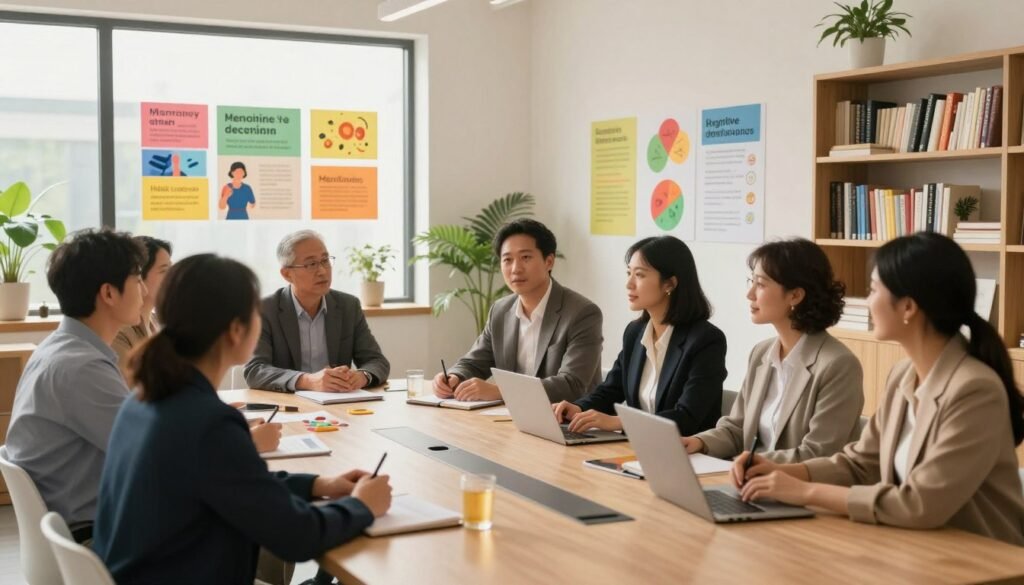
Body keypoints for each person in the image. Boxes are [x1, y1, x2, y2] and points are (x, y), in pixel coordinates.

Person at [93, 254, 393, 583]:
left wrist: (320, 484)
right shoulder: (208, 422)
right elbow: (296, 536)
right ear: (236, 330)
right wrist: (363, 506)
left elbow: (237, 480)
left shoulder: (144, 399)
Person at [736, 233, 1024, 546]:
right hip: (913, 548)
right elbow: (860, 463)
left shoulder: (975, 390)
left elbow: (920, 504)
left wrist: (806, 492)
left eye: (873, 290)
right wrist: (786, 470)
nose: (867, 300)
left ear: (908, 307)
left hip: (981, 560)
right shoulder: (903, 376)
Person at [4, 229, 145, 540]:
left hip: (81, 527)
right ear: (109, 293)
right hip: (96, 536)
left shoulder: (61, 348)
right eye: (137, 280)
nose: (144, 290)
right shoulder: (81, 367)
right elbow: (149, 451)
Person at [681, 238, 864, 462]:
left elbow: (819, 454)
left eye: (761, 284)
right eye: (752, 281)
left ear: (795, 295)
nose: (750, 294)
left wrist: (753, 463)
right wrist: (699, 442)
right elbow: (737, 430)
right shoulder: (762, 352)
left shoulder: (838, 365)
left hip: (796, 489)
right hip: (750, 480)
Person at [110, 235, 281, 454]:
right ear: (236, 329)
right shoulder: (200, 414)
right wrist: (240, 440)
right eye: (255, 312)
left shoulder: (145, 402)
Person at [552, 236, 726, 435]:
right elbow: (611, 390)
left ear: (669, 283)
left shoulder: (706, 340)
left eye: (640, 275)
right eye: (629, 273)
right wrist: (579, 408)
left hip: (686, 454)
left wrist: (619, 422)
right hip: (637, 449)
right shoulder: (635, 333)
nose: (629, 284)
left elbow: (686, 417)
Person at [434, 219, 603, 402]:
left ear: (549, 261)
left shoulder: (582, 313)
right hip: (512, 419)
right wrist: (454, 377)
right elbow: (474, 362)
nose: (515, 269)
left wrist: (502, 391)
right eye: (507, 260)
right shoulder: (500, 310)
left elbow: (572, 385)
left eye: (526, 258)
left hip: (568, 422)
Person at [244, 230, 390, 392]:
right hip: (288, 406)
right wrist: (307, 381)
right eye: (311, 264)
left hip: (339, 405)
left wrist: (362, 376)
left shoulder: (348, 306)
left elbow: (377, 361)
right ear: (287, 274)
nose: (322, 271)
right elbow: (255, 370)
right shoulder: (265, 310)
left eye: (325, 260)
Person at [112, 236, 172, 370]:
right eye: (164, 270)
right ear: (139, 274)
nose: (172, 277)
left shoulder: (157, 322)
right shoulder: (119, 332)